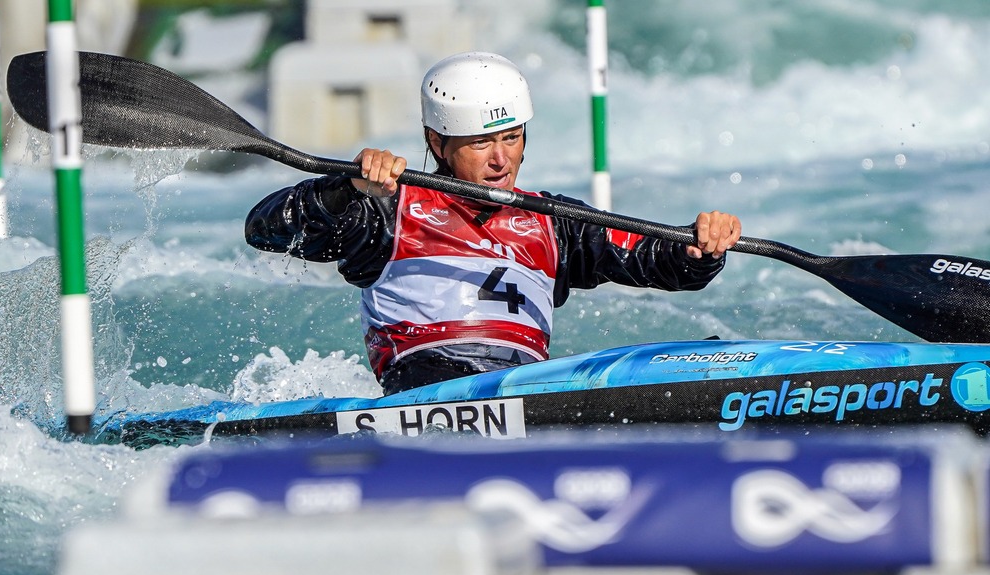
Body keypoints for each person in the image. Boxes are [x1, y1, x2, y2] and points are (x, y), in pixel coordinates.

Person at [246, 51, 741, 395]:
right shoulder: (385, 209)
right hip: (424, 382)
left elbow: (657, 262)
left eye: (511, 138)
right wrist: (343, 187)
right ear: (437, 142)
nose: (502, 159)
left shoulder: (553, 220)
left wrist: (699, 249)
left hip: (527, 384)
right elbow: (266, 230)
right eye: (482, 143)